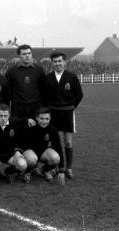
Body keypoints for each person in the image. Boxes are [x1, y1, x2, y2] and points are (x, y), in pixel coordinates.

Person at [45, 51, 83, 179]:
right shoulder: (48, 78)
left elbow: (79, 95)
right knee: (53, 141)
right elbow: (44, 97)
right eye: (55, 62)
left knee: (67, 141)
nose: (57, 64)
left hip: (67, 112)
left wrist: (71, 106)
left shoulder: (72, 77)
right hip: (53, 113)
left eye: (60, 61)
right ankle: (55, 168)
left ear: (64, 62)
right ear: (52, 64)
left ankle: (69, 168)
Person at [21, 107, 65, 185]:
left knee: (55, 158)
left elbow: (59, 148)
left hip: (43, 152)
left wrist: (61, 170)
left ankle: (45, 170)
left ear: (50, 118)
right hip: (30, 152)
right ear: (37, 118)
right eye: (41, 118)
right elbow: (23, 144)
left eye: (46, 118)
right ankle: (28, 171)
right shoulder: (29, 127)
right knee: (32, 159)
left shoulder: (52, 129)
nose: (44, 121)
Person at [5, 44, 46, 120]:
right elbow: (7, 91)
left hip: (35, 106)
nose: (27, 56)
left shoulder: (39, 70)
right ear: (18, 56)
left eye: (29, 53)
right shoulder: (11, 71)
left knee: (35, 130)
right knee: (18, 130)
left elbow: (43, 90)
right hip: (18, 107)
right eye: (24, 54)